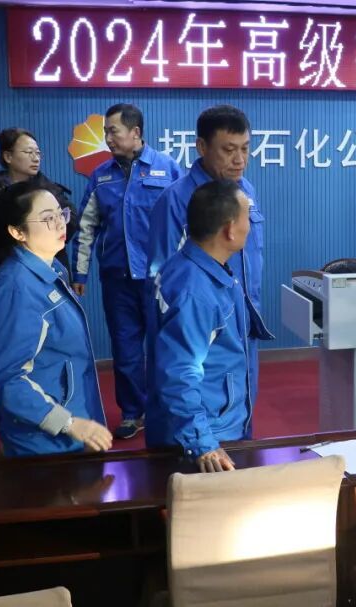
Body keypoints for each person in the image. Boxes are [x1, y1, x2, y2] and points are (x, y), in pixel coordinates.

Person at [148, 105, 273, 432]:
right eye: (229, 150)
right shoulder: (176, 200)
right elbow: (160, 283)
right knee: (197, 415)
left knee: (238, 412)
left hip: (241, 326)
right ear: (202, 147)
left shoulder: (245, 192)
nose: (239, 160)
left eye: (245, 149)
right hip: (199, 327)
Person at [72, 104, 182, 439]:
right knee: (125, 350)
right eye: (105, 132)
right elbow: (86, 227)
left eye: (113, 131)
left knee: (166, 348)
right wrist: (80, 273)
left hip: (160, 280)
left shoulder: (167, 169)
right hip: (117, 279)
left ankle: (166, 410)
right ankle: (133, 413)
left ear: (135, 133)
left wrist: (185, 272)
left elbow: (186, 223)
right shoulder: (101, 175)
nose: (108, 138)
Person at [0, 179, 112, 457]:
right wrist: (69, 423)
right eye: (48, 218)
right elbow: (8, 380)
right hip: (43, 442)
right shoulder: (17, 288)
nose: (60, 224)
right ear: (18, 232)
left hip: (69, 429)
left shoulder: (52, 268)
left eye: (61, 214)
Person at [147, 180, 252, 473]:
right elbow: (179, 372)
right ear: (230, 230)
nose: (250, 226)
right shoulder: (196, 292)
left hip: (207, 424)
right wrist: (202, 443)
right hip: (204, 437)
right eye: (247, 217)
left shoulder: (195, 266)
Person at [0, 127, 77, 292]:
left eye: (38, 153)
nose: (35, 158)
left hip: (49, 268)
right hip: (6, 272)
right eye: (28, 152)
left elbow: (71, 223)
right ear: (8, 156)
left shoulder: (50, 190)